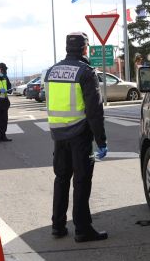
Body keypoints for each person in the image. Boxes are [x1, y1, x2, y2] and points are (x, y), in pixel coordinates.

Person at [45, 32, 108, 242]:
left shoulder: (51, 72)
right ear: (84, 49)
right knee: (81, 180)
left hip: (58, 134)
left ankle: (58, 225)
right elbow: (94, 111)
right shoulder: (85, 72)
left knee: (61, 178)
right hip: (80, 134)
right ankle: (82, 229)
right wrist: (101, 141)